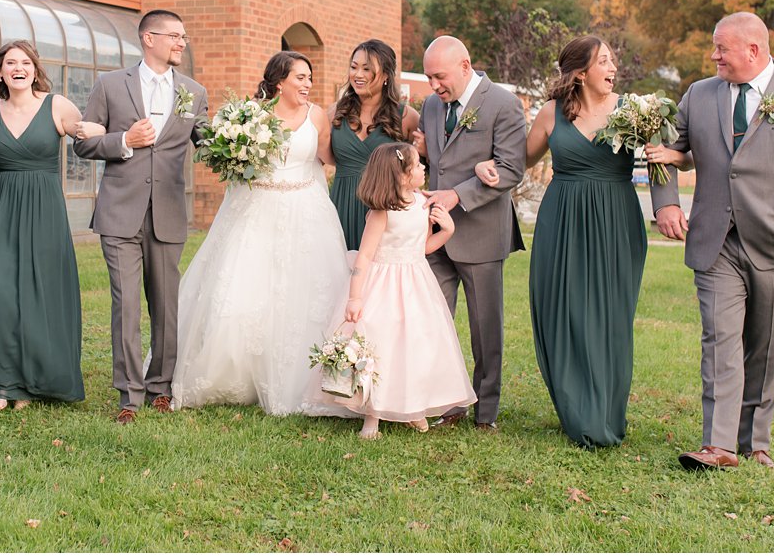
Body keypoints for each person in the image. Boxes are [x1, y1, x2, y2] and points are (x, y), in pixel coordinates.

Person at [646, 12, 774, 470]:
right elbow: (664, 148)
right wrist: (666, 204)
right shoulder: (698, 94)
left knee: (767, 347)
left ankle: (755, 443)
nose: (714, 56)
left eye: (722, 48)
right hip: (715, 242)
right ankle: (717, 446)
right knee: (719, 340)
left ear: (753, 50)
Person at [481, 36, 646, 448]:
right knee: (564, 312)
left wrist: (674, 178)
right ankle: (577, 409)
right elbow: (518, 163)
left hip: (616, 219)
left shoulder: (633, 111)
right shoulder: (552, 114)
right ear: (580, 72)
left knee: (611, 317)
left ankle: (607, 412)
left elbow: (671, 157)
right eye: (603, 61)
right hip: (563, 220)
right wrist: (486, 166)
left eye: (612, 59)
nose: (612, 68)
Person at [171, 51, 353, 418]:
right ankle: (235, 373)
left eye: (309, 78)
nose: (307, 84)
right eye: (300, 77)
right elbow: (237, 163)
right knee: (246, 288)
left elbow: (328, 156)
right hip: (257, 209)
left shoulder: (317, 115)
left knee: (305, 290)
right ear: (279, 81)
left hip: (307, 211)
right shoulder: (251, 115)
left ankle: (309, 375)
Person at [73, 10, 209, 424]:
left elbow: (206, 140)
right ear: (149, 38)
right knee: (126, 306)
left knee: (166, 306)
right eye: (174, 36)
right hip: (119, 214)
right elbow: (82, 144)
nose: (181, 43)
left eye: (183, 36)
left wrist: (239, 141)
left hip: (168, 212)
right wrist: (123, 141)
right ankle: (129, 395)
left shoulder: (194, 91)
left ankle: (160, 387)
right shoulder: (109, 85)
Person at [0, 40, 104, 411]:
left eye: (25, 62)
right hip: (2, 206)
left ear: (34, 69)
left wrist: (94, 129)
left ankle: (32, 381)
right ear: (0, 72)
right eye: (10, 62)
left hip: (44, 208)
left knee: (40, 291)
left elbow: (85, 136)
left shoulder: (56, 105)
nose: (18, 68)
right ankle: (1, 380)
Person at [328, 142, 476, 439]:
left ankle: (414, 408)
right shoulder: (382, 212)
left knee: (416, 344)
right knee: (381, 345)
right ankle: (374, 415)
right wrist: (355, 296)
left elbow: (421, 249)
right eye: (418, 165)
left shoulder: (421, 203)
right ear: (402, 175)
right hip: (381, 283)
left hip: (416, 283)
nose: (424, 167)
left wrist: (447, 231)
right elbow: (365, 256)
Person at [417, 35, 527, 432]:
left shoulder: (503, 103)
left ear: (465, 66)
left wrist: (458, 195)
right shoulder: (431, 106)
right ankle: (446, 401)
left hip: (481, 233)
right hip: (434, 233)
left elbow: (512, 169)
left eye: (439, 77)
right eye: (429, 77)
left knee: (485, 328)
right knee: (433, 319)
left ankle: (486, 411)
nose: (433, 86)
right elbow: (436, 158)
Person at [327, 39, 422, 249]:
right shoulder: (334, 113)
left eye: (367, 69)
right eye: (354, 67)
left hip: (386, 211)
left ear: (386, 75)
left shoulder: (406, 117)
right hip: (342, 205)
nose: (358, 75)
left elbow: (421, 168)